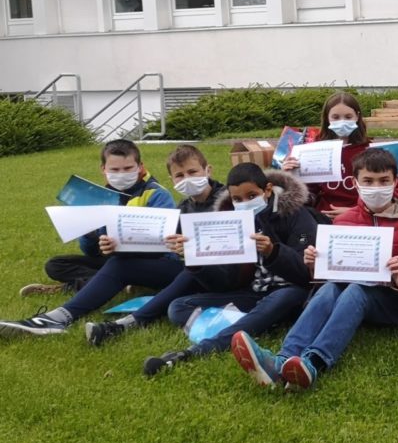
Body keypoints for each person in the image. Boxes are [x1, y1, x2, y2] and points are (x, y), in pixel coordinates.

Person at [230, 147, 398, 390]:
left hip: (396, 301)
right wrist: (314, 266)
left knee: (355, 290)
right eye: (368, 181)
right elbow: (327, 278)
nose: (376, 187)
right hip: (352, 301)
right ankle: (281, 360)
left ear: (396, 181)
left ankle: (314, 361)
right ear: (355, 183)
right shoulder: (343, 222)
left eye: (384, 181)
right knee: (331, 287)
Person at [130, 164, 317, 374]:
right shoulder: (229, 221)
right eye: (238, 199)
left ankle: (199, 350)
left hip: (292, 292)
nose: (245, 203)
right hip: (254, 293)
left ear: (267, 190)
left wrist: (273, 251)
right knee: (178, 308)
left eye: (252, 195)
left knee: (282, 298)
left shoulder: (296, 214)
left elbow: (306, 274)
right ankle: (259, 322)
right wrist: (193, 257)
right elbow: (224, 282)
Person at [3, 140, 180, 334]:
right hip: (116, 259)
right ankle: (114, 285)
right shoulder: (101, 197)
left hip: (155, 262)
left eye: (128, 168)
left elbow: (167, 246)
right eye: (115, 169)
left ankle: (58, 317)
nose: (121, 174)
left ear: (140, 167)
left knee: (119, 265)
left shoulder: (156, 195)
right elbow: (91, 252)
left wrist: (123, 246)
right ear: (103, 169)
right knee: (55, 264)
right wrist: (89, 234)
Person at [77, 144, 227, 346]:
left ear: (208, 170)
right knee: (116, 264)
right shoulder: (183, 208)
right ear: (172, 180)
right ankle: (70, 313)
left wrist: (191, 251)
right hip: (196, 271)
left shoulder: (228, 200)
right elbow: (166, 244)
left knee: (187, 276)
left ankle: (127, 323)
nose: (187, 179)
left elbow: (229, 246)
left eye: (192, 172)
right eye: (180, 176)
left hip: (227, 273)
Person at [282, 91, 369, 219]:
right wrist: (290, 175)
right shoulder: (314, 150)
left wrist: (355, 212)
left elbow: (378, 191)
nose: (342, 121)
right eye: (336, 117)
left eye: (348, 117)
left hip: (360, 215)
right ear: (327, 118)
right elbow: (307, 193)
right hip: (322, 215)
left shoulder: (369, 150)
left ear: (357, 116)